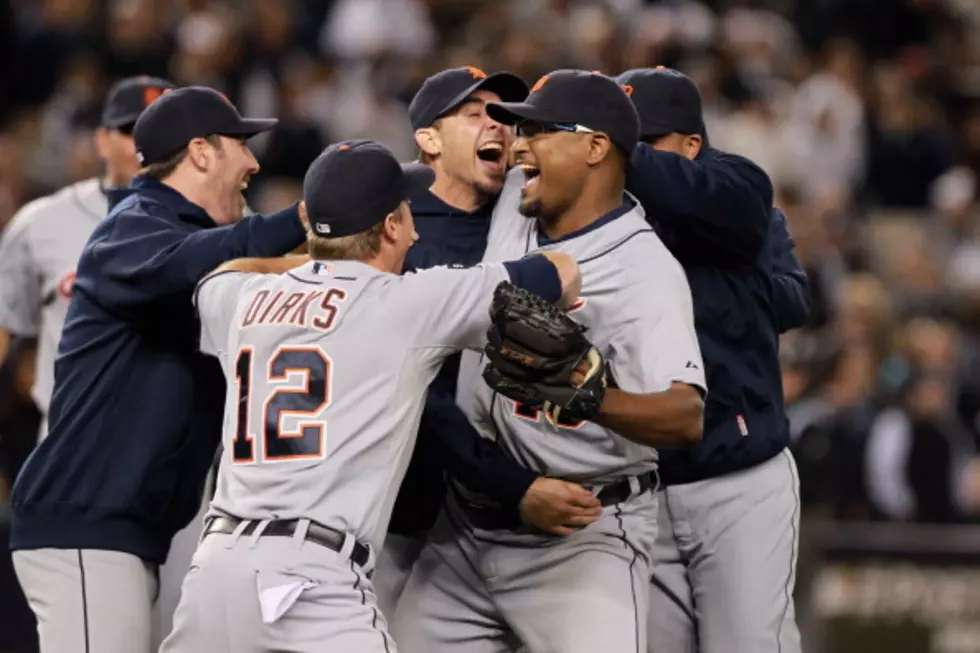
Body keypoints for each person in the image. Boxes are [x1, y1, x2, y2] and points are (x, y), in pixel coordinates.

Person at [158, 138, 581, 652]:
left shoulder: (243, 299)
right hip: (311, 582)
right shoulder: (409, 301)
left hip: (213, 576)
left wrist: (308, 267)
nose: (417, 228)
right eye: (406, 213)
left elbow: (218, 276)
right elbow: (561, 273)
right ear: (389, 227)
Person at [391, 69, 707, 653]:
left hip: (579, 536)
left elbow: (685, 417)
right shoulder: (518, 194)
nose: (519, 144)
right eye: (520, 129)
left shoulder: (645, 271)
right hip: (462, 534)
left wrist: (592, 395)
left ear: (594, 147)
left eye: (539, 130)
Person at [9, 85, 308, 653]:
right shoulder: (131, 225)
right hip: (86, 523)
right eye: (240, 144)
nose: (253, 161)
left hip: (135, 530)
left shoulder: (183, 235)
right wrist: (307, 215)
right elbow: (194, 262)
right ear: (200, 151)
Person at [377, 65, 605, 618]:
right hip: (404, 511)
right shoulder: (392, 227)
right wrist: (512, 484)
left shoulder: (527, 218)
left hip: (512, 514)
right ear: (428, 140)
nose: (498, 127)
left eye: (504, 117)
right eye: (474, 114)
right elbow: (408, 385)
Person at [615, 66, 810, 653]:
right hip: (644, 485)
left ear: (691, 145)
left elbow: (795, 299)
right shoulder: (611, 221)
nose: (631, 159)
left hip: (738, 475)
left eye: (646, 143)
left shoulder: (734, 194)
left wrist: (720, 287)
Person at [0, 75, 175, 440]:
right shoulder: (41, 222)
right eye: (132, 131)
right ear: (101, 140)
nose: (147, 146)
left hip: (175, 449)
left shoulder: (224, 225)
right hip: (70, 446)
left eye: (164, 132)